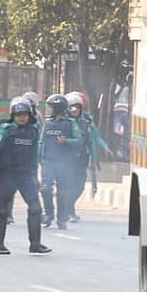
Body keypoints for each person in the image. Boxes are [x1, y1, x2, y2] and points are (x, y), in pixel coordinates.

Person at [0, 98, 51, 255]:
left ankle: (35, 243)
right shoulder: (5, 130)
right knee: (2, 209)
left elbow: (34, 155)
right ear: (13, 115)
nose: (22, 117)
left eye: (24, 114)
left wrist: (35, 175)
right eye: (18, 115)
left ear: (30, 115)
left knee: (36, 208)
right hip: (8, 174)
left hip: (25, 176)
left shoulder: (34, 131)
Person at [65, 91, 110, 223]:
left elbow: (94, 137)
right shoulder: (63, 122)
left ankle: (68, 207)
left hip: (81, 158)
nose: (75, 110)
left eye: (78, 107)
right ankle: (69, 211)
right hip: (67, 159)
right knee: (68, 186)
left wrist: (104, 148)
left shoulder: (87, 121)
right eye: (72, 107)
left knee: (79, 186)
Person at [39, 93, 82, 231]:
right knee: (45, 188)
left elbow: (79, 141)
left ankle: (62, 219)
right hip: (48, 162)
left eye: (51, 107)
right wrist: (38, 159)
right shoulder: (47, 123)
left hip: (65, 164)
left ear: (58, 108)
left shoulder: (70, 124)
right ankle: (48, 214)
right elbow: (40, 142)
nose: (48, 109)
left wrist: (66, 141)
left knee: (63, 192)